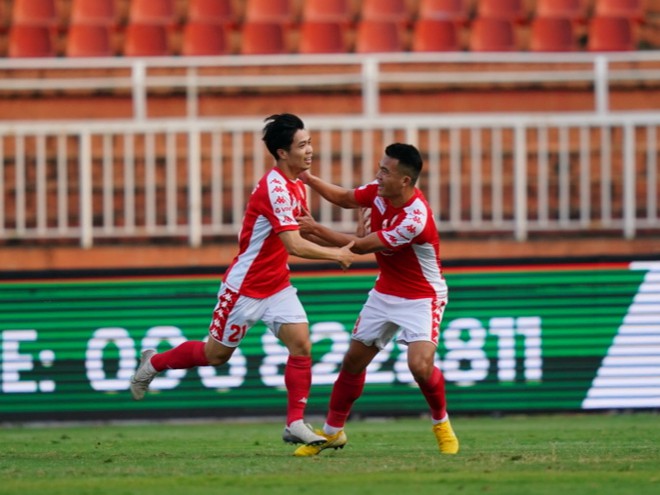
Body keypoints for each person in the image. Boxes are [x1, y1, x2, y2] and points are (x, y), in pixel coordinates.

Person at [130, 113, 355, 447]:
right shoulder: (275, 189)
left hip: (277, 284)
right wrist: (338, 254)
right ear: (282, 152)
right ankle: (153, 363)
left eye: (310, 143)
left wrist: (347, 244)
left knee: (301, 345)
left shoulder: (296, 184)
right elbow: (294, 244)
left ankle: (294, 423)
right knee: (215, 355)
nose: (310, 150)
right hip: (244, 288)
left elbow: (305, 231)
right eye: (302, 145)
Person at [292, 143, 459, 456]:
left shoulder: (414, 219)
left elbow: (359, 247)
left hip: (422, 296)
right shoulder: (379, 193)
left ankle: (441, 423)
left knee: (419, 367)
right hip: (385, 291)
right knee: (353, 362)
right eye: (380, 168)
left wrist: (314, 230)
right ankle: (332, 433)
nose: (378, 176)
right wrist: (308, 178)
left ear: (405, 181)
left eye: (385, 171)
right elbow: (344, 198)